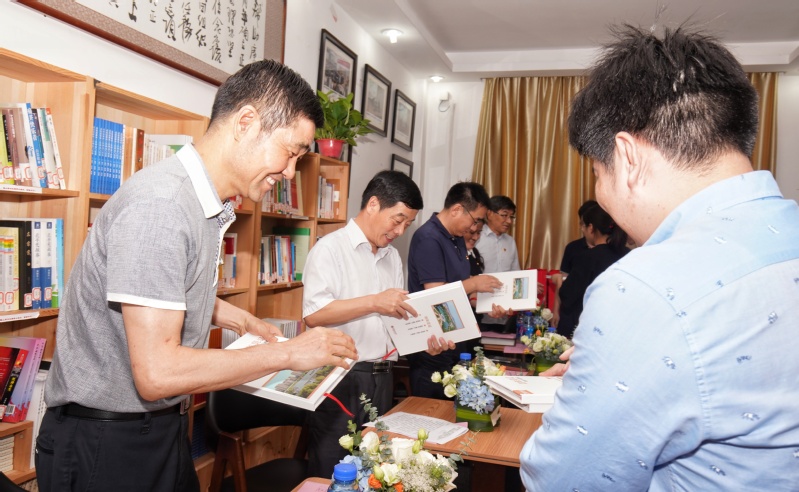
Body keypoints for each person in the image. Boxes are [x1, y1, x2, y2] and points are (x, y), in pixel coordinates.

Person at [36, 59, 358, 492]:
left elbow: (164, 288)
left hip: (158, 428)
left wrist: (236, 317)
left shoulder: (202, 204)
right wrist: (288, 354)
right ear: (246, 123)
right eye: (291, 151)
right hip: (107, 444)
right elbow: (158, 373)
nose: (289, 172)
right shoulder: (163, 206)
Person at [520, 24, 799, 491]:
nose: (599, 191)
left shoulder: (644, 285)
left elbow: (561, 481)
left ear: (627, 157)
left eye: (596, 172)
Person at [302, 170, 452, 478]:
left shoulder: (392, 257)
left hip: (382, 377)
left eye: (408, 224)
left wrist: (423, 342)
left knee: (376, 470)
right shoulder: (329, 249)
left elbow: (394, 321)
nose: (400, 230)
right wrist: (373, 301)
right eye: (397, 220)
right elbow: (314, 314)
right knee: (333, 470)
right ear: (373, 205)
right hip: (340, 377)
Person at [406, 182, 506, 400]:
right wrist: (474, 283)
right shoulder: (428, 238)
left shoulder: (456, 238)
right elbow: (436, 295)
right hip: (432, 345)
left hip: (455, 340)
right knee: (430, 410)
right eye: (475, 220)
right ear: (457, 209)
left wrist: (485, 303)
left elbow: (459, 288)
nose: (474, 227)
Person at [556, 204, 628, 339]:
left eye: (583, 226)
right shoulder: (628, 254)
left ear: (591, 228)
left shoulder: (587, 257)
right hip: (620, 326)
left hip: (591, 328)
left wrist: (559, 282)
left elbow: (567, 295)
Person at [475, 195, 521, 332]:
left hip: (504, 312)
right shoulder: (476, 237)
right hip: (478, 309)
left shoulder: (510, 241)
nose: (509, 221)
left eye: (511, 217)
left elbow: (515, 275)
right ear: (489, 214)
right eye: (504, 215)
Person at [551, 199, 598, 327]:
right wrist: (556, 311)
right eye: (581, 223)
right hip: (571, 310)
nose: (582, 227)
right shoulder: (573, 248)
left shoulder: (609, 251)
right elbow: (562, 280)